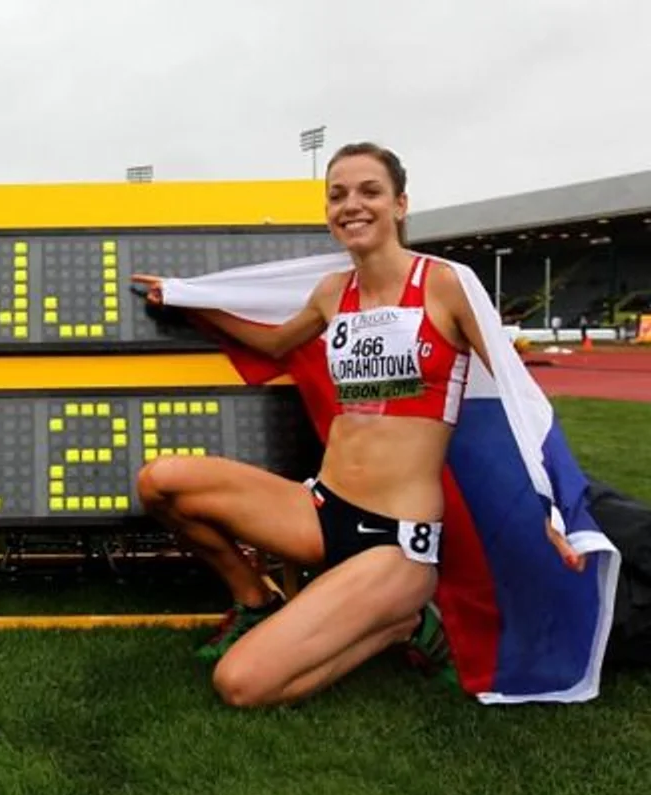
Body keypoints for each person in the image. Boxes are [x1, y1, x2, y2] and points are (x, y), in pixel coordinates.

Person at [131, 142, 584, 708]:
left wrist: (557, 504)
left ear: (400, 204)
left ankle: (404, 622)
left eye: (369, 191)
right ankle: (256, 601)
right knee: (161, 480)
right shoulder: (332, 293)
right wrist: (185, 300)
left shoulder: (446, 283)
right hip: (321, 511)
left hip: (396, 543)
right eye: (337, 195)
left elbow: (521, 396)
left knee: (240, 685)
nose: (352, 205)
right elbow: (273, 342)